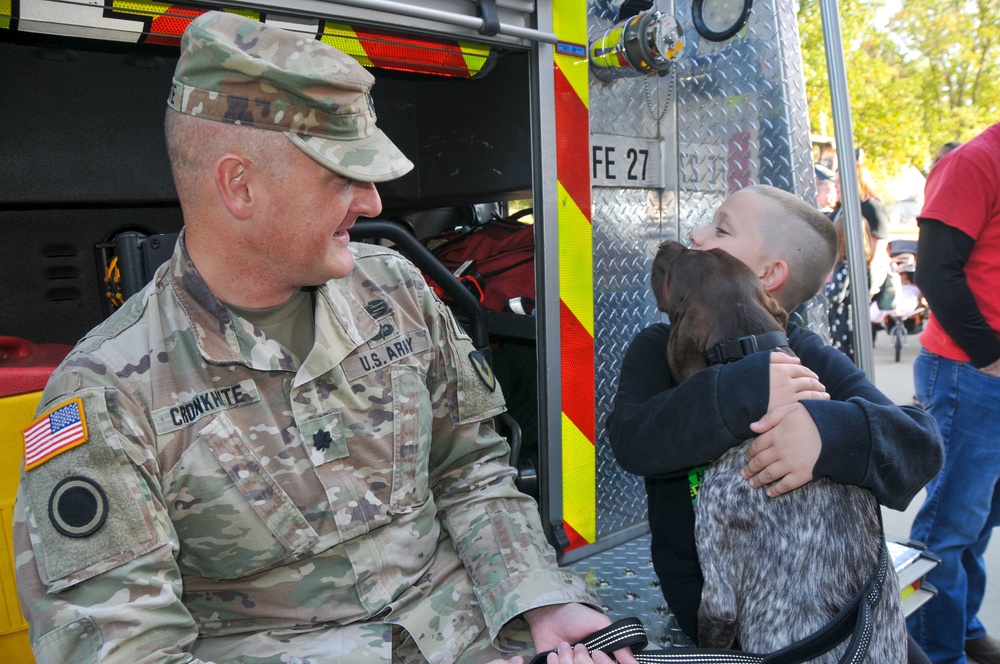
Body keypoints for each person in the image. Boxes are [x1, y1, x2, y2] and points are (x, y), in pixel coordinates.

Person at [12, 12, 634, 664]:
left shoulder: (395, 290)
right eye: (344, 178)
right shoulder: (107, 396)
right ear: (240, 186)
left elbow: (469, 469)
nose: (372, 203)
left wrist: (539, 600)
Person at [607, 184, 943, 661]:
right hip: (720, 616)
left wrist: (825, 435)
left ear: (769, 274)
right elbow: (632, 441)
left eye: (720, 228)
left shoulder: (804, 353)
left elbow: (921, 445)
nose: (697, 234)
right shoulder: (658, 347)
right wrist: (741, 390)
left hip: (841, 608)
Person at [906, 124, 1000, 664]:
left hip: (985, 372)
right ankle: (942, 653)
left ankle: (962, 629)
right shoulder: (975, 162)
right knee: (948, 528)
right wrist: (990, 354)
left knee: (978, 523)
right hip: (971, 374)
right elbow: (937, 272)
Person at [825, 213, 873, 362]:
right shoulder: (862, 265)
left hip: (841, 322)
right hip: (857, 320)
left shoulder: (844, 266)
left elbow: (835, 296)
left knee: (842, 360)